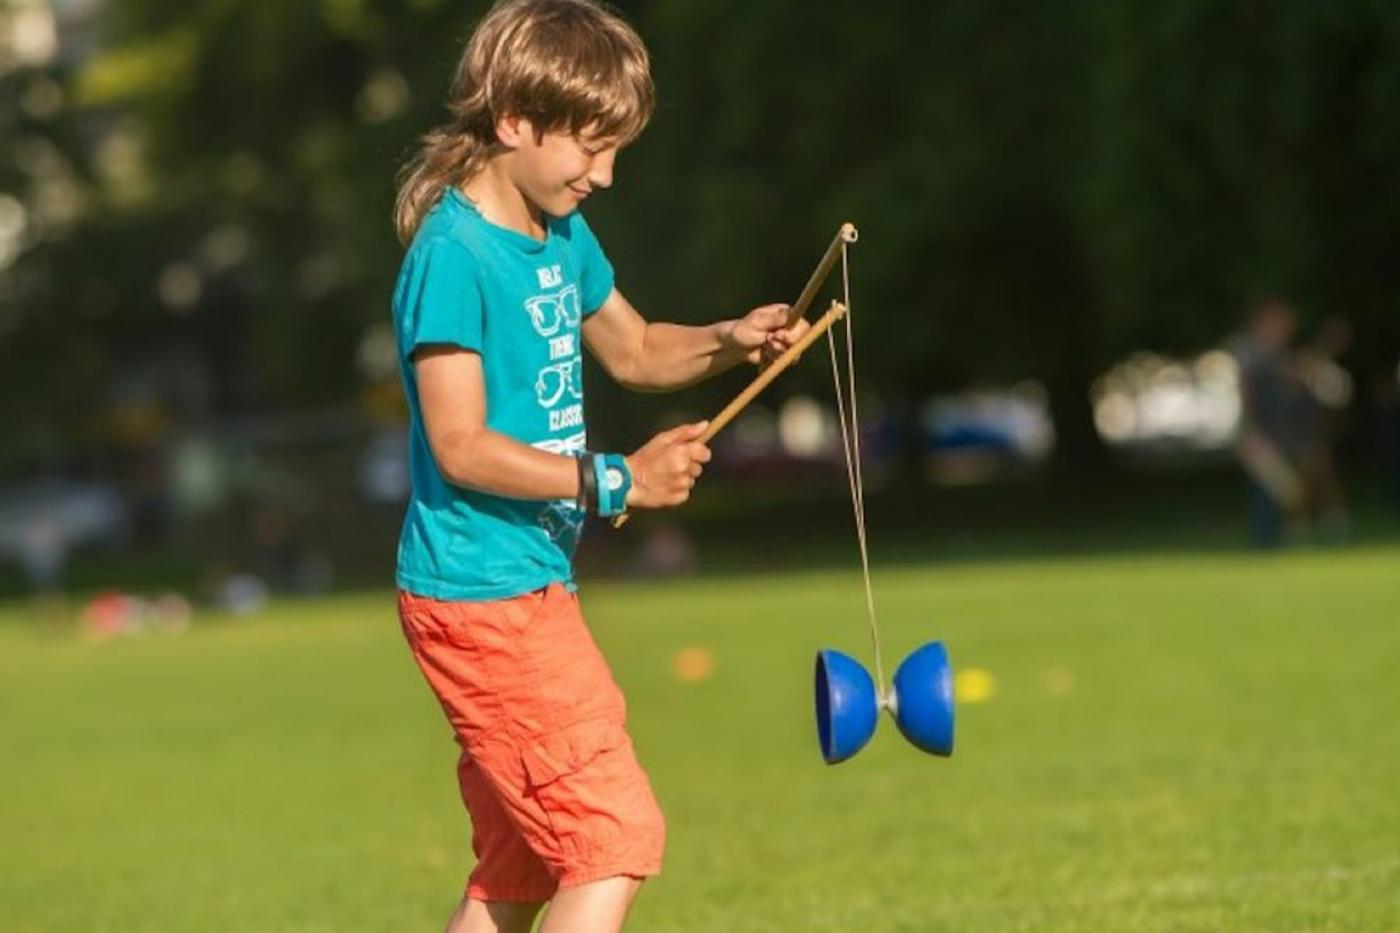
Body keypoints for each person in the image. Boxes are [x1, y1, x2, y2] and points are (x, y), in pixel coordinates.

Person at [389, 2, 805, 931]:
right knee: (612, 834)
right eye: (591, 147)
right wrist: (616, 480)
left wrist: (735, 340)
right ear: (514, 122)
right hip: (481, 597)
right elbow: (459, 447)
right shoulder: (451, 257)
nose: (606, 174)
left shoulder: (560, 234)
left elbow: (640, 349)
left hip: (523, 585)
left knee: (521, 868)